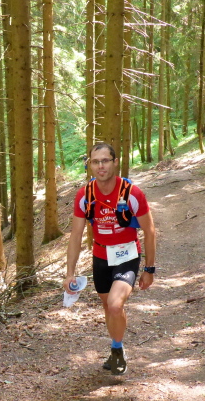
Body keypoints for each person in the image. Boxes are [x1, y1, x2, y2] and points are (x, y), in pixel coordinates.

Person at [63, 142, 156, 375]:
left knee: (115, 304)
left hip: (127, 255)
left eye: (105, 161)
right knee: (108, 306)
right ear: (90, 165)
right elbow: (75, 235)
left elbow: (150, 230)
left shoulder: (132, 193)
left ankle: (117, 350)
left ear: (115, 162)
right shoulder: (85, 195)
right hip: (100, 256)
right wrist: (70, 272)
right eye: (95, 162)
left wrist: (149, 269)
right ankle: (117, 346)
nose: (101, 166)